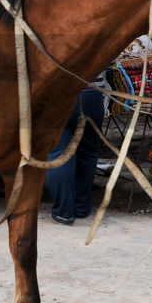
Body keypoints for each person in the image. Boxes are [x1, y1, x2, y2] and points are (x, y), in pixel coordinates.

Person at [46, 83, 107, 225]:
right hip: (90, 93)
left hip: (56, 93)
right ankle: (81, 208)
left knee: (59, 153)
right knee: (87, 153)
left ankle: (63, 213)